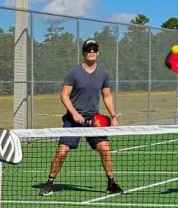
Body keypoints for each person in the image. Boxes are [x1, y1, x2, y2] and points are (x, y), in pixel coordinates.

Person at [39, 39, 123, 197]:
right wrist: (75, 114)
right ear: (83, 53)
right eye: (88, 49)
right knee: (62, 151)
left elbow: (107, 95)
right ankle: (49, 184)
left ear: (97, 53)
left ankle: (111, 183)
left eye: (94, 49)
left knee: (105, 148)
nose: (91, 52)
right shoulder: (74, 73)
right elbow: (64, 95)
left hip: (94, 120)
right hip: (73, 120)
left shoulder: (103, 73)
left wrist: (114, 116)